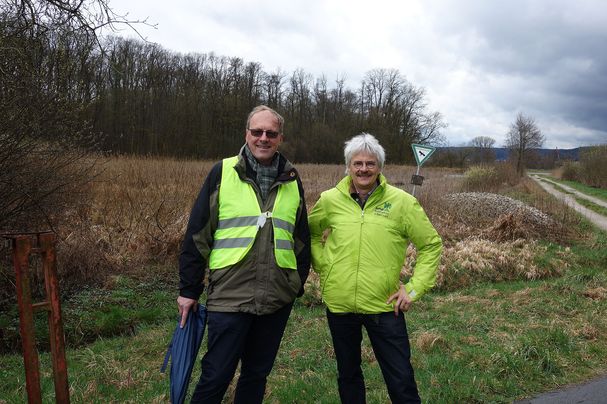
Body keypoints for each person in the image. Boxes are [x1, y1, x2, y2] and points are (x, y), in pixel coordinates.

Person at [177, 105, 310, 403]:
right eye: (257, 132)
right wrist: (189, 289)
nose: (264, 138)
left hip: (276, 297)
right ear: (246, 134)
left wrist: (295, 283)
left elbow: (301, 238)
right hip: (229, 295)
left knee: (256, 376)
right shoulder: (222, 172)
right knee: (216, 374)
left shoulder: (291, 177)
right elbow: (198, 234)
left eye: (271, 133)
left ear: (280, 138)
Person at [308, 133, 442, 404]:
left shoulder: (402, 202)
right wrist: (325, 266)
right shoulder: (330, 200)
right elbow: (309, 233)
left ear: (380, 167)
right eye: (357, 163)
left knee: (401, 379)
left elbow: (431, 245)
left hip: (385, 306)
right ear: (348, 166)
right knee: (348, 376)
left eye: (370, 163)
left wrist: (414, 289)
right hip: (340, 304)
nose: (363, 169)